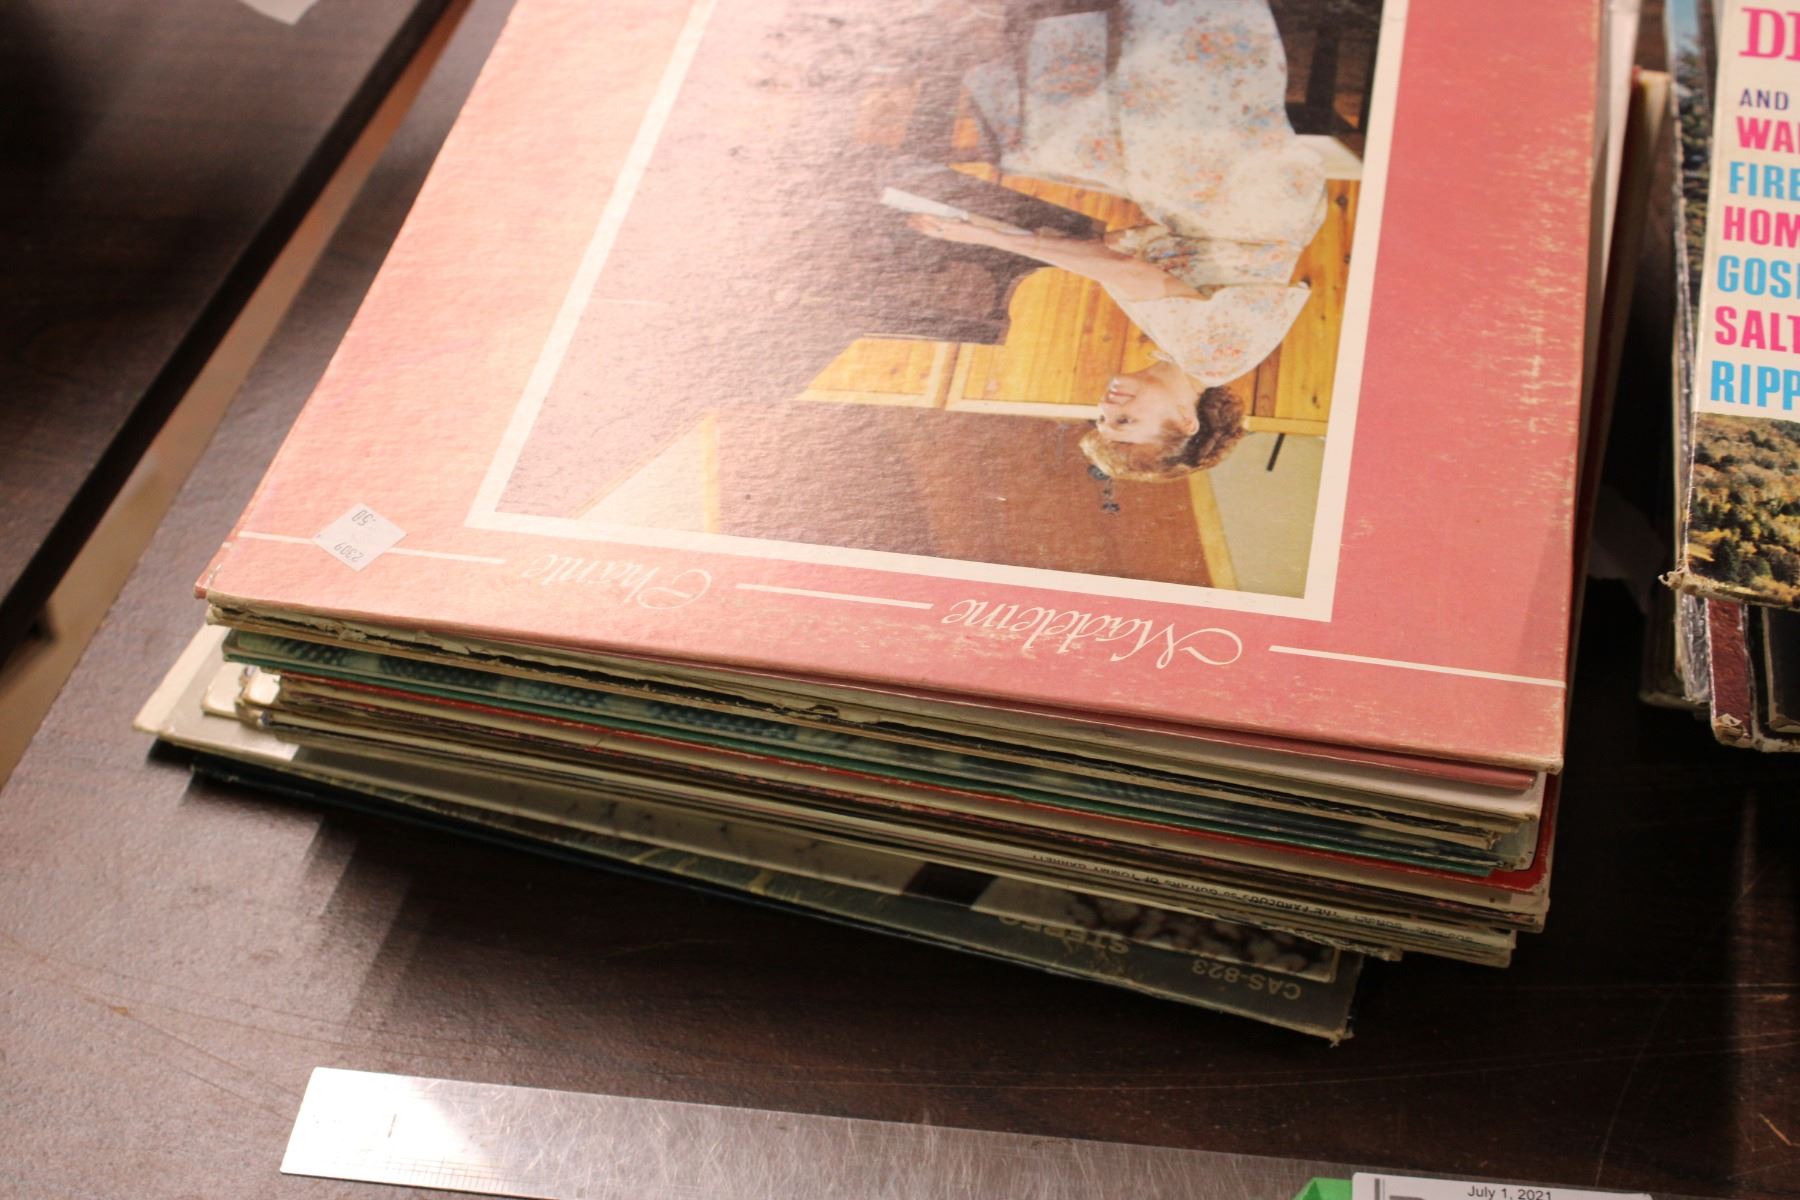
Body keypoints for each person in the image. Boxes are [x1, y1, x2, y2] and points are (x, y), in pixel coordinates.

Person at [908, 0, 1327, 481]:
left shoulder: (1189, 358)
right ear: (1185, 421)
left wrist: (1017, 235)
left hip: (1231, 208)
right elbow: (1121, 268)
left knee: (1035, 151)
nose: (1108, 408)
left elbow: (1132, 256)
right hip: (1244, 196)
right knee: (1084, 131)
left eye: (1102, 420)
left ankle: (1023, 22)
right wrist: (983, 235)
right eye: (1126, 422)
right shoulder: (1207, 358)